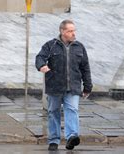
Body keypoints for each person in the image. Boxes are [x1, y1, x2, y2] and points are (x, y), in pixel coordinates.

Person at [35, 19, 92, 151]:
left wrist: (88, 86)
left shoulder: (79, 47)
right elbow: (40, 57)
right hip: (54, 86)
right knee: (53, 112)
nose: (73, 33)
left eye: (74, 30)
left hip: (73, 87)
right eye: (70, 31)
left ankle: (72, 137)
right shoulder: (51, 45)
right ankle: (54, 140)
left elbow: (85, 68)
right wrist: (42, 66)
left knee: (72, 110)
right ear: (62, 31)